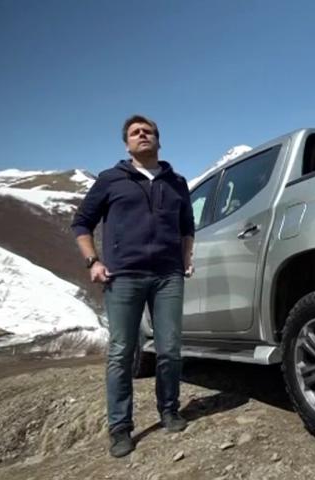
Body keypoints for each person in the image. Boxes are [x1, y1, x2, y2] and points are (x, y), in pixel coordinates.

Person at [71, 114, 195, 458]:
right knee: (122, 352)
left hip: (168, 275)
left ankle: (169, 410)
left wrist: (186, 257)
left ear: (158, 140)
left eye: (148, 131)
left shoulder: (177, 182)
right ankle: (120, 427)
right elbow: (81, 223)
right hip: (123, 275)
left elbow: (187, 227)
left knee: (170, 349)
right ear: (127, 144)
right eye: (135, 132)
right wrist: (93, 261)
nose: (142, 135)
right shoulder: (111, 179)